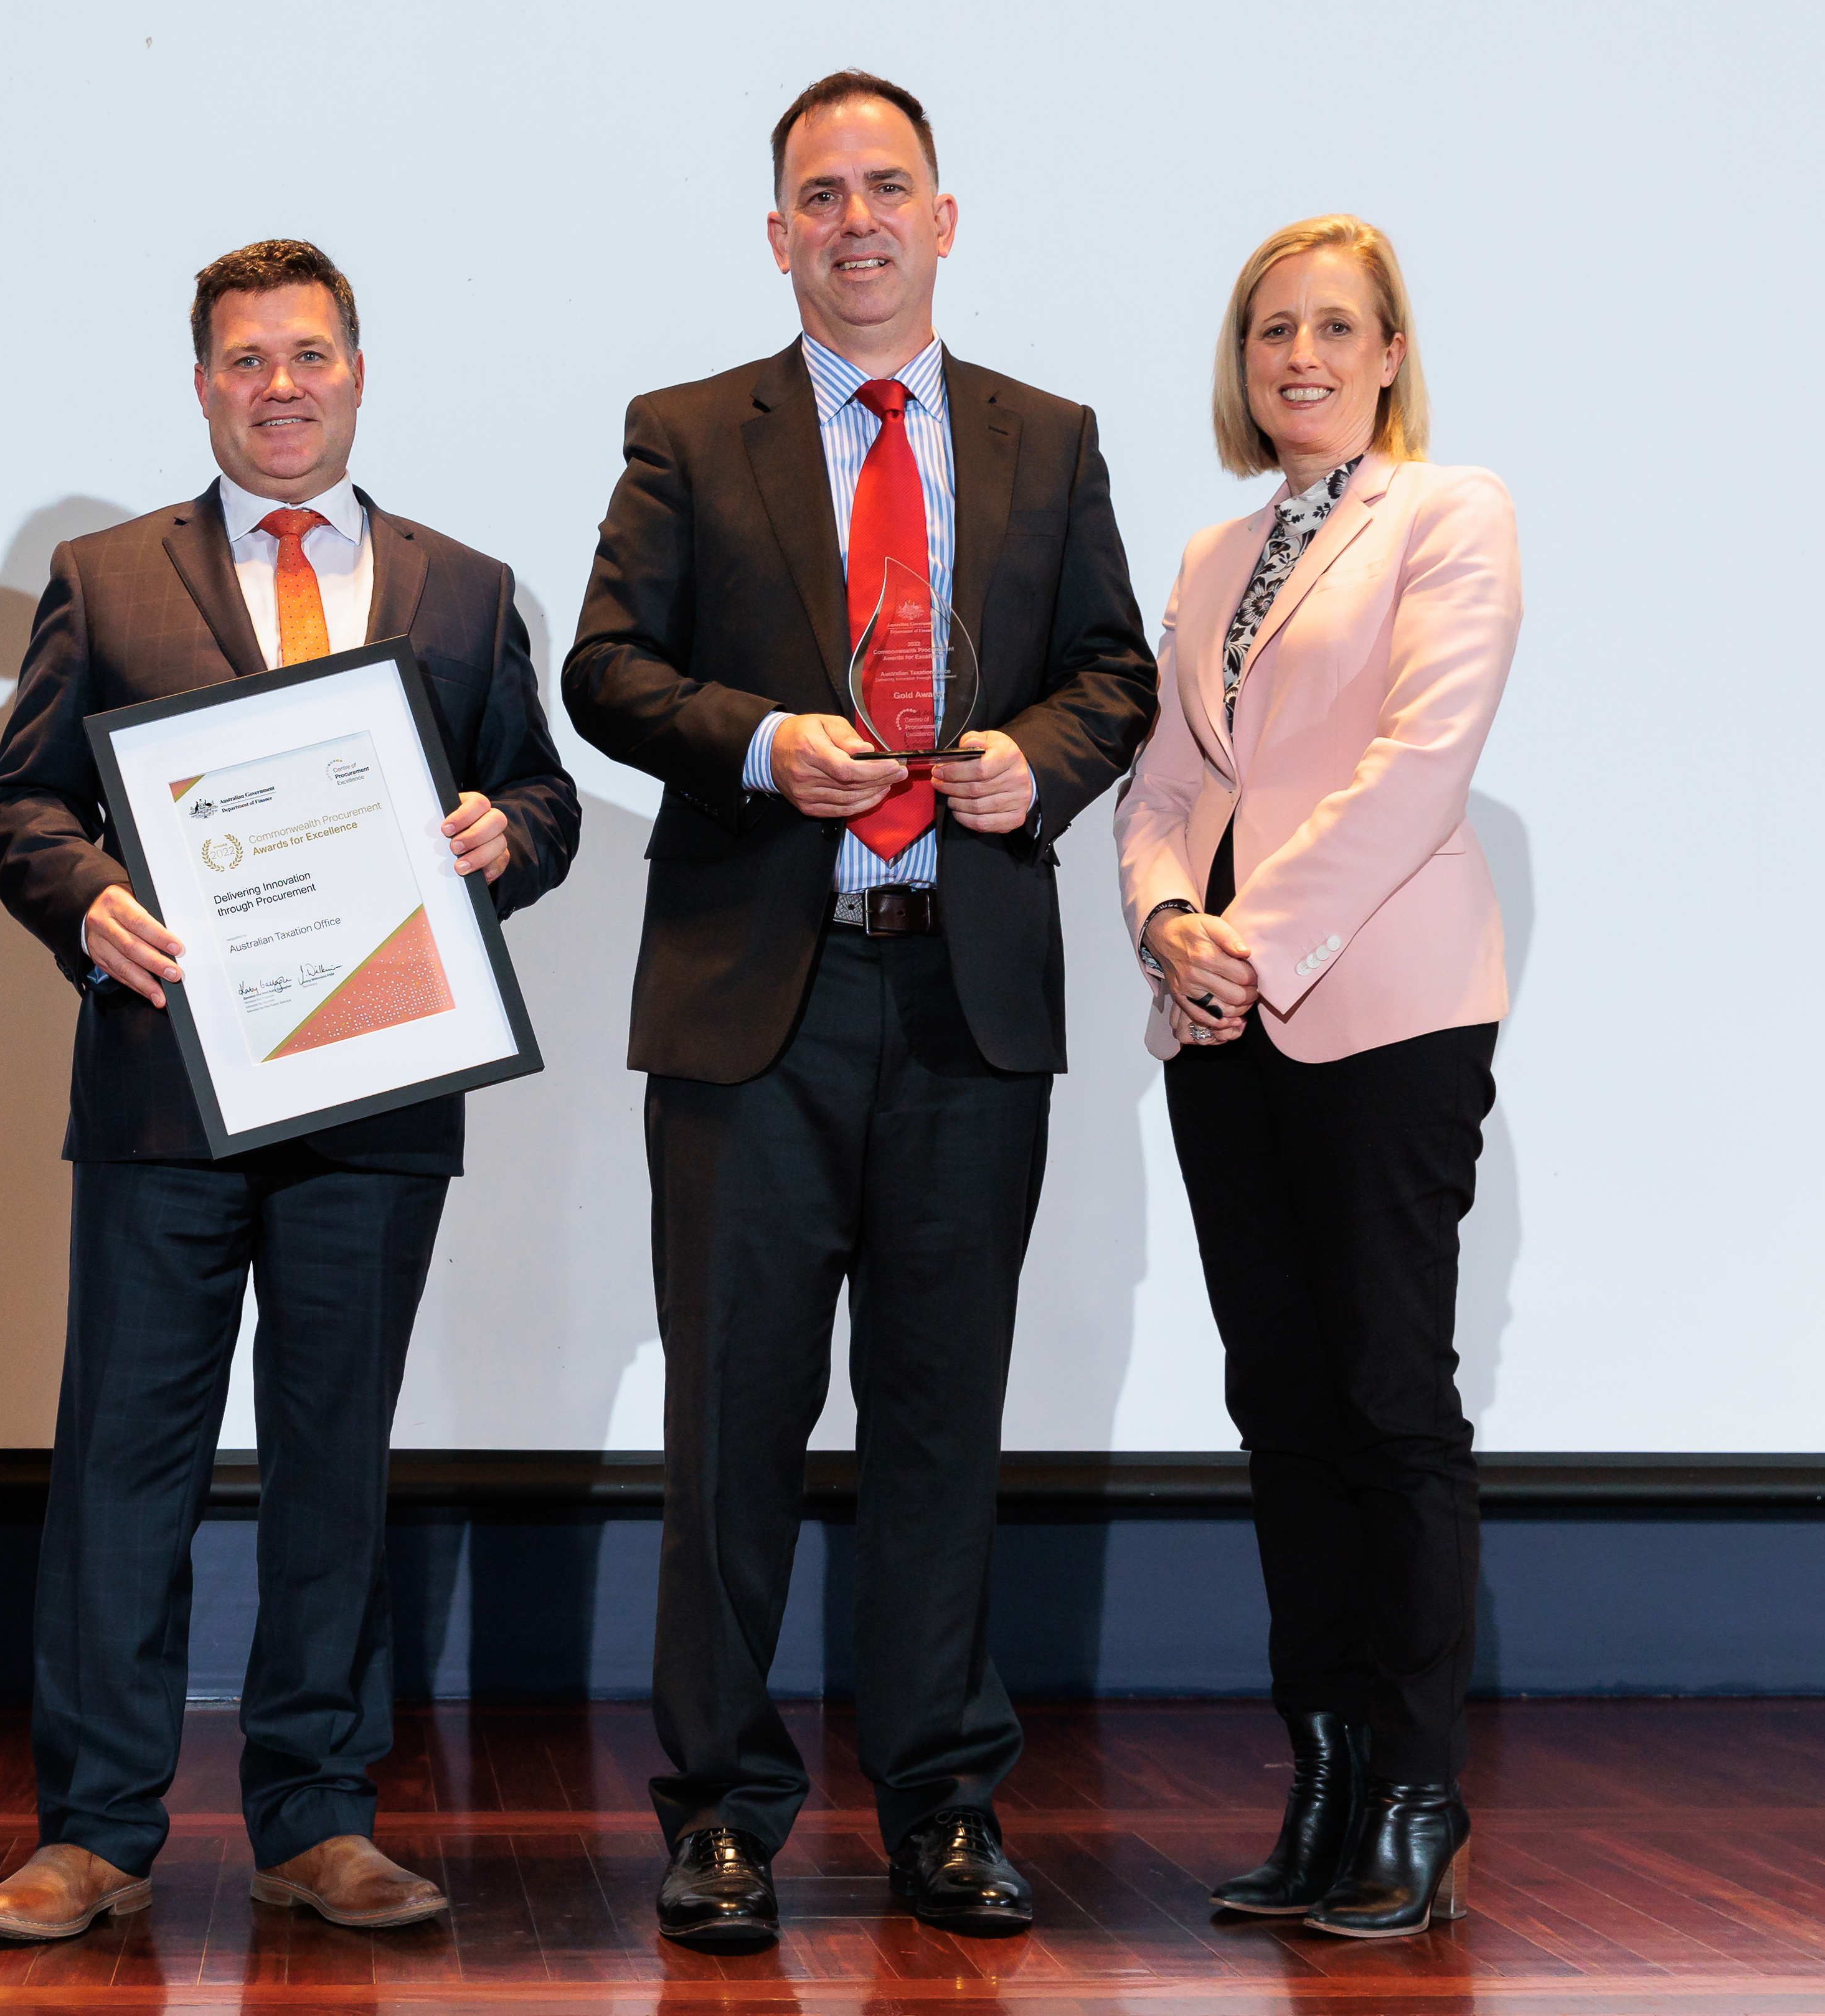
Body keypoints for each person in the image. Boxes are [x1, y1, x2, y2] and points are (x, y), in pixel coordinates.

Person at [563, 72, 1156, 1949]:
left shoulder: (1044, 440)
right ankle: (723, 1816)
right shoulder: (685, 432)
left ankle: (939, 1807)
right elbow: (604, 671)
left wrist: (1030, 770)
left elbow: (1112, 673)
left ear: (943, 217)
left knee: (937, 1421)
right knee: (731, 1426)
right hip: (759, 1002)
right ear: (776, 236)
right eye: (816, 195)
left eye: (884, 186)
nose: (854, 220)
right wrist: (754, 740)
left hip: (965, 995)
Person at [0, 240, 579, 1941]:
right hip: (165, 1091)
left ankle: (316, 1818)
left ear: (359, 372)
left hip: (376, 1096)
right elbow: (21, 807)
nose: (280, 385)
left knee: (332, 1465)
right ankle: (93, 1828)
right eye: (245, 360)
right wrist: (83, 897)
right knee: (122, 1464)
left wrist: (502, 837)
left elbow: (542, 794)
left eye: (308, 355)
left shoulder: (461, 589)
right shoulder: (106, 574)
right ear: (202, 385)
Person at [1114, 214, 1521, 1939]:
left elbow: (1419, 766)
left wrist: (1244, 936)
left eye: (1333, 327)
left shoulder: (1451, 514)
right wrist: (1163, 922)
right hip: (1222, 1027)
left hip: (1381, 1019)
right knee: (1278, 1411)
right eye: (1269, 327)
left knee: (1386, 1401)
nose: (1298, 354)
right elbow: (1155, 793)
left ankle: (1417, 1799)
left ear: (1389, 354)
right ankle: (1329, 1779)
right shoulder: (1213, 551)